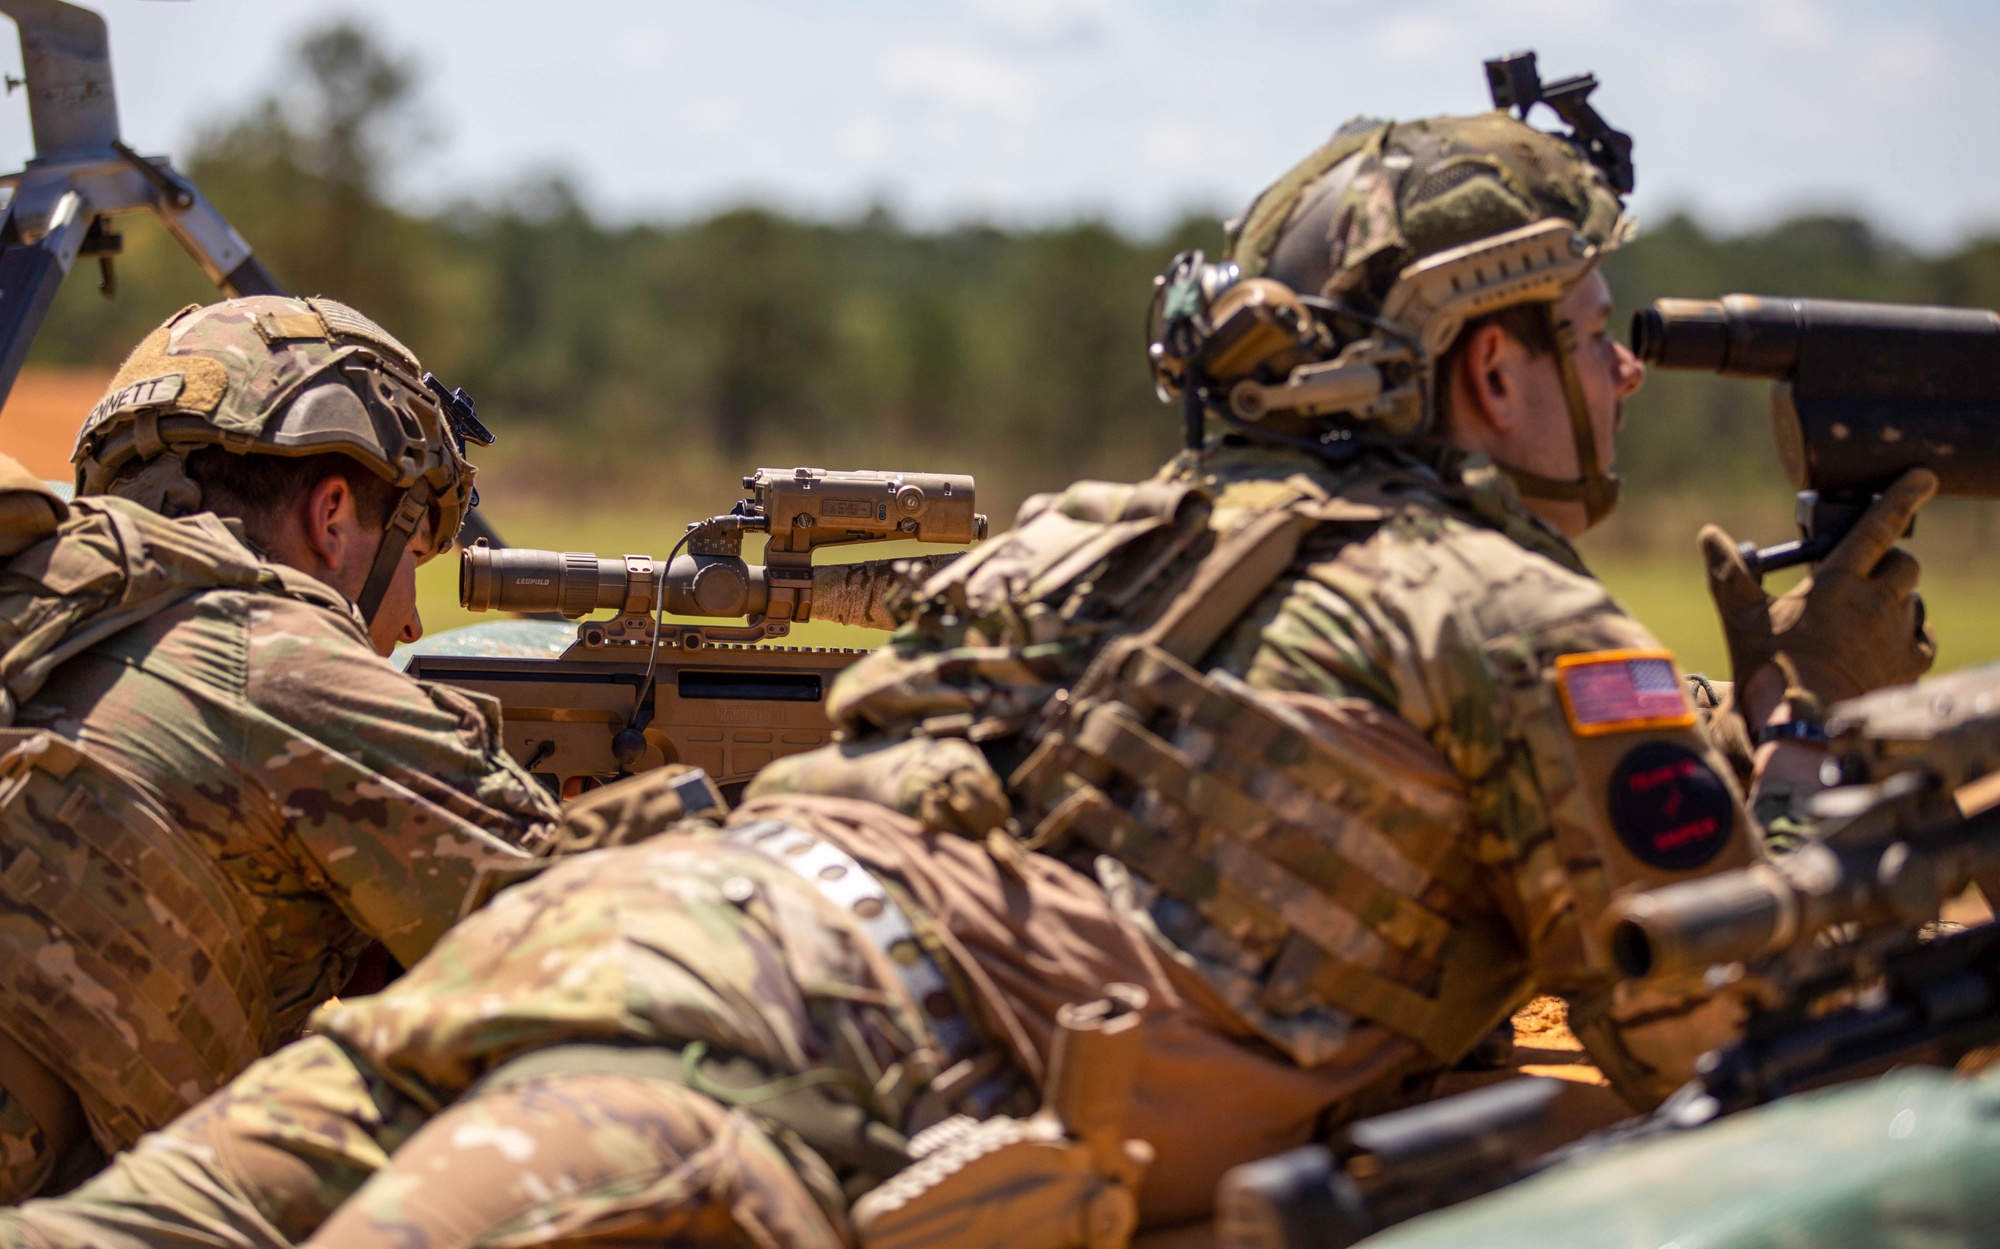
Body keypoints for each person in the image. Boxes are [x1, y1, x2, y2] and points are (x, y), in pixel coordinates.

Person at [0, 83, 1937, 1248]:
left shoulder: (1077, 534)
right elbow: (1719, 1054)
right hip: (785, 1058)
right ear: (1485, 367)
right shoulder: (1521, 625)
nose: (1618, 374)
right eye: (1588, 329)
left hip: (613, 942)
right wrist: (1819, 764)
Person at [0, 295, 561, 1203]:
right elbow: (606, 945)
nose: (413, 618)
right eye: (412, 550)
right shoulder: (283, 662)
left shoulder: (36, 611)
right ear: (333, 515)